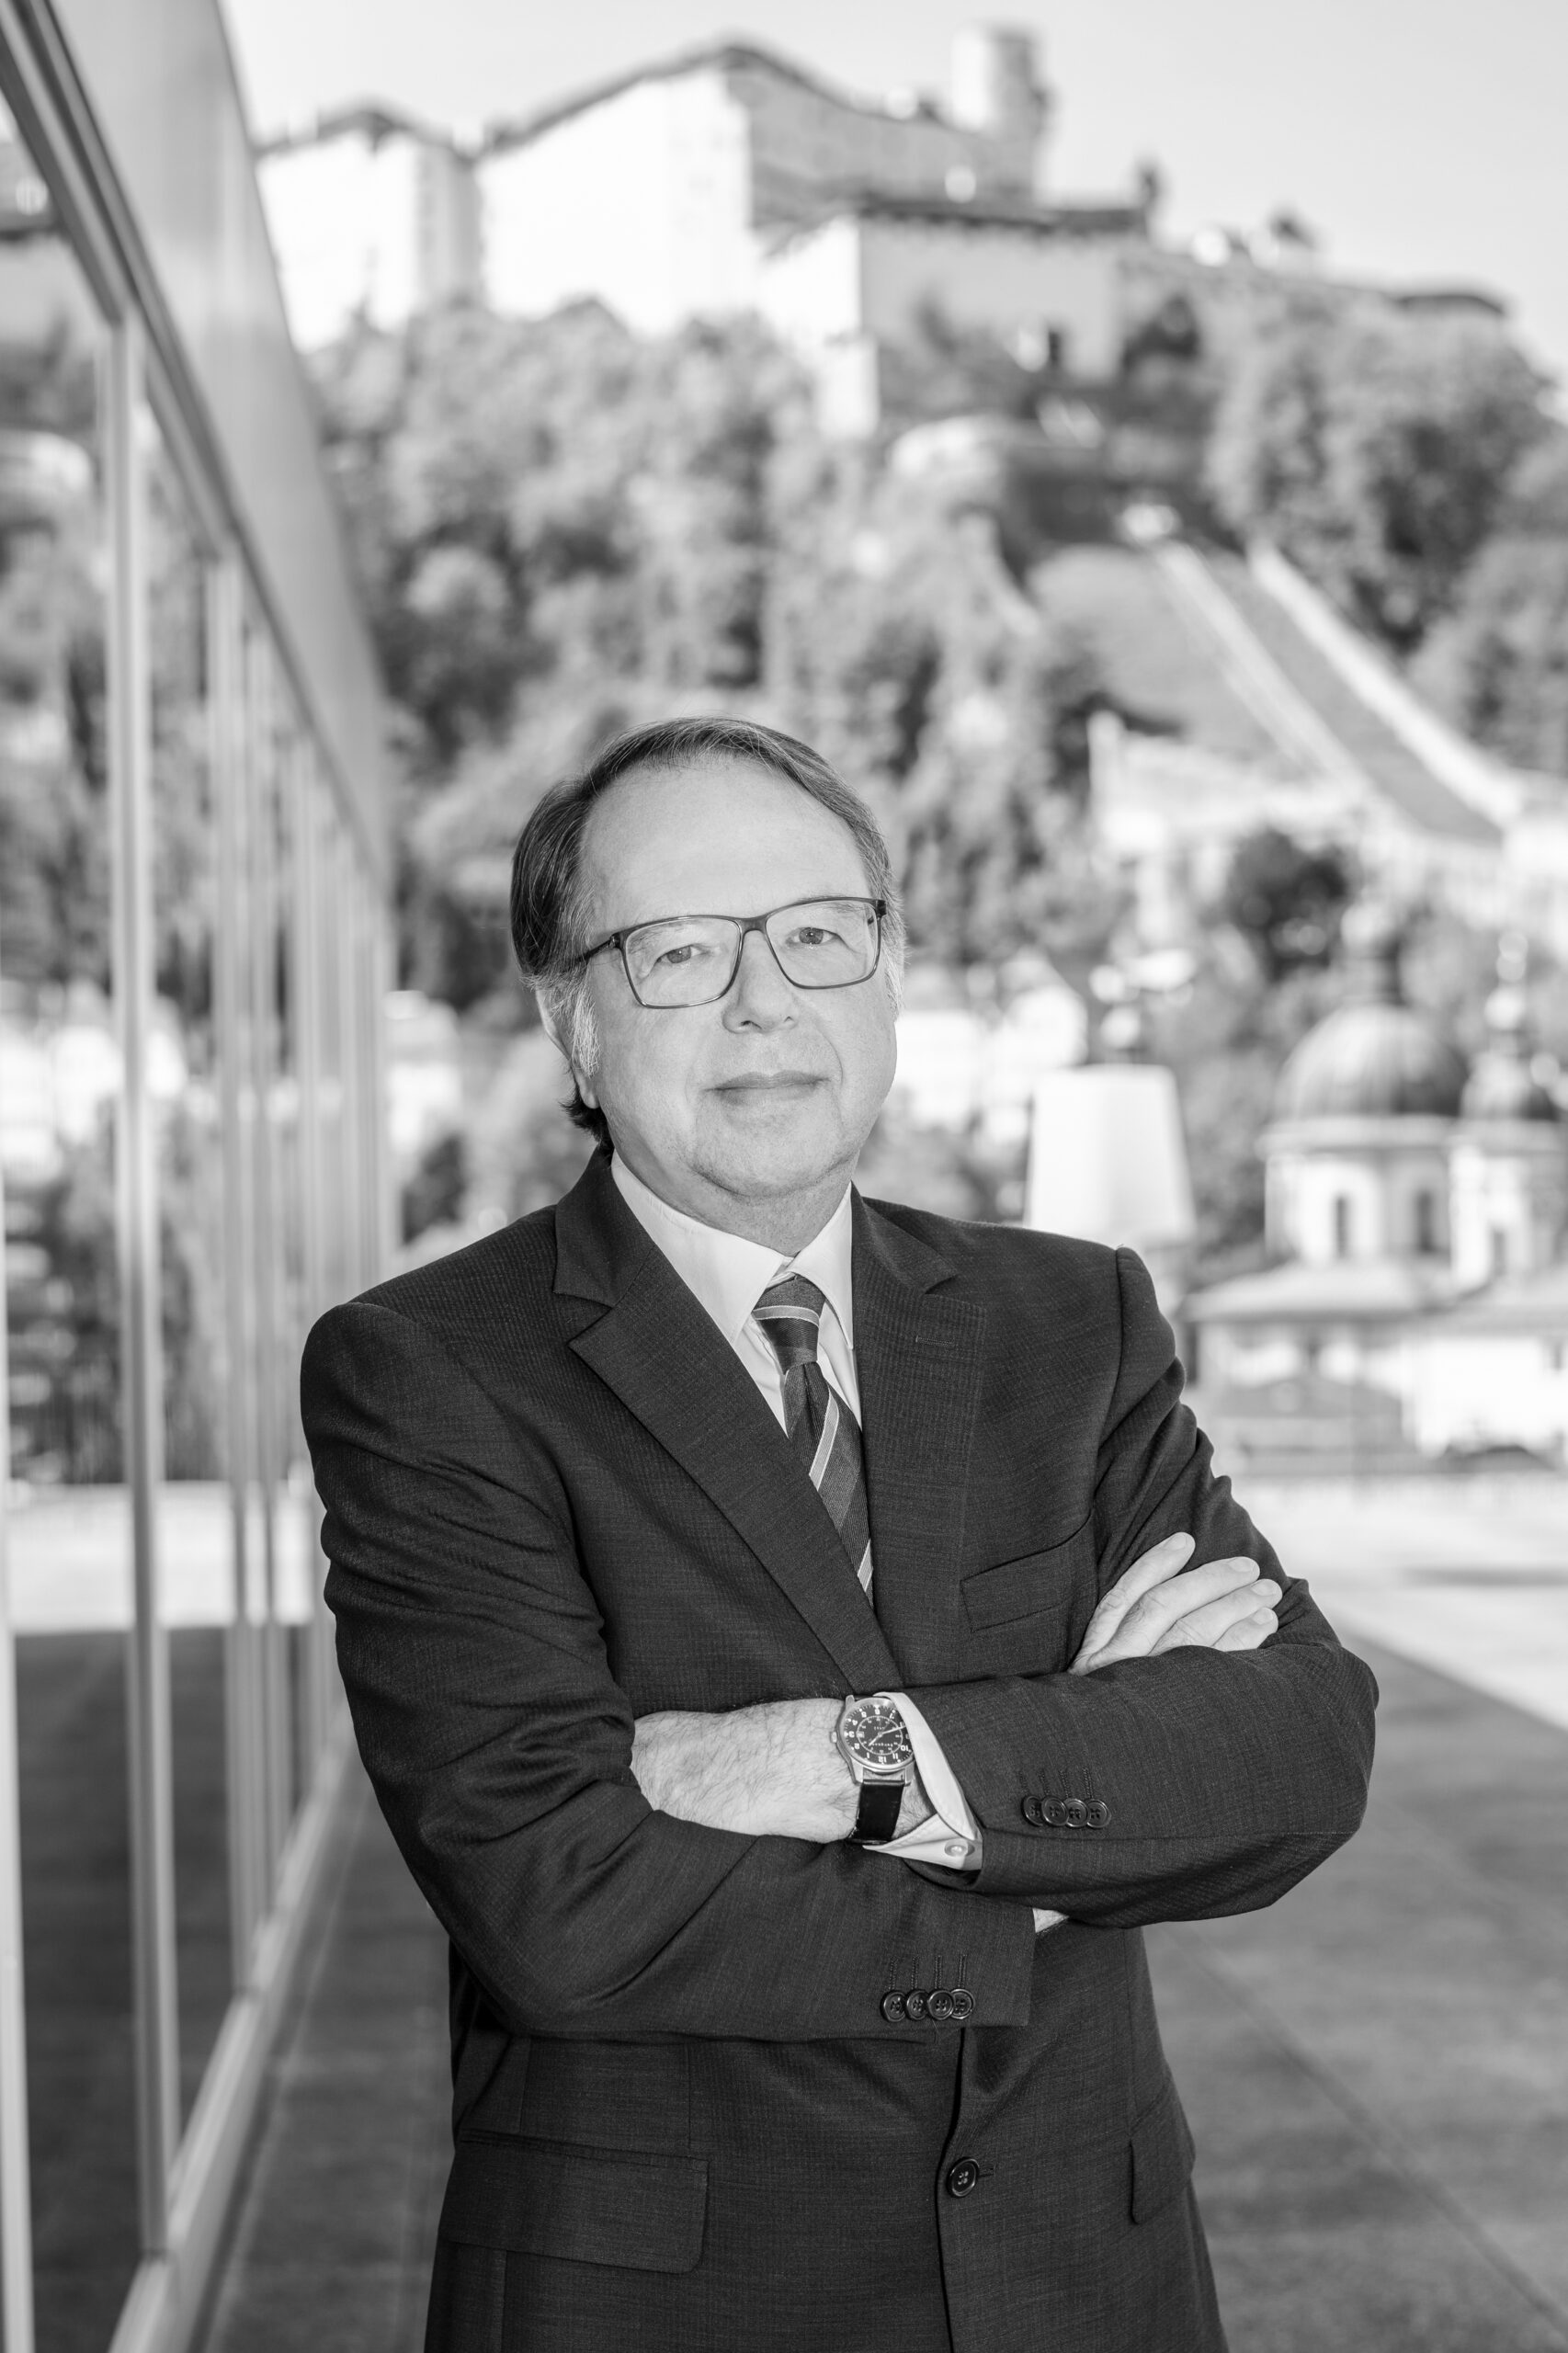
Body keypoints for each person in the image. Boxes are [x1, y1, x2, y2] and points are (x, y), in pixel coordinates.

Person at [301, 716, 1376, 2353]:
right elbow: (558, 1906)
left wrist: (826, 1759)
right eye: (679, 952)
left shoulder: (1068, 1322)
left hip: (1085, 2281)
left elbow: (1293, 1750)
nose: (765, 1003)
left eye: (817, 934)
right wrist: (1065, 1827)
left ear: (887, 976)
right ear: (569, 1019)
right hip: (668, 2308)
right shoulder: (432, 1370)